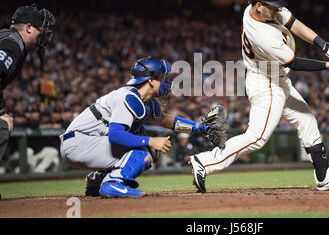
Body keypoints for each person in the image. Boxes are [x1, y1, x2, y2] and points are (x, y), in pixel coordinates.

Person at [189, 0, 329, 192]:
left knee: (307, 121)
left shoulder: (258, 10)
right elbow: (294, 63)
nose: (278, 9)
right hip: (265, 82)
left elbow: (294, 23)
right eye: (272, 5)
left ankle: (324, 178)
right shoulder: (261, 35)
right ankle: (204, 162)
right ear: (258, 5)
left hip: (277, 78)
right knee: (257, 138)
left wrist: (325, 45)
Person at [60, 57, 223, 197]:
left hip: (84, 142)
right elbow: (115, 135)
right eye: (163, 78)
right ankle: (113, 182)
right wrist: (151, 141)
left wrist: (200, 127)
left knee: (139, 137)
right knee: (145, 149)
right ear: (151, 80)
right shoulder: (129, 97)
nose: (168, 83)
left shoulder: (144, 101)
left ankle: (97, 182)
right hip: (78, 143)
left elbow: (167, 121)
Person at [0, 4, 55, 161]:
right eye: (40, 28)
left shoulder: (8, 38)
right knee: (2, 126)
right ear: (29, 28)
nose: (43, 33)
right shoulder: (12, 44)